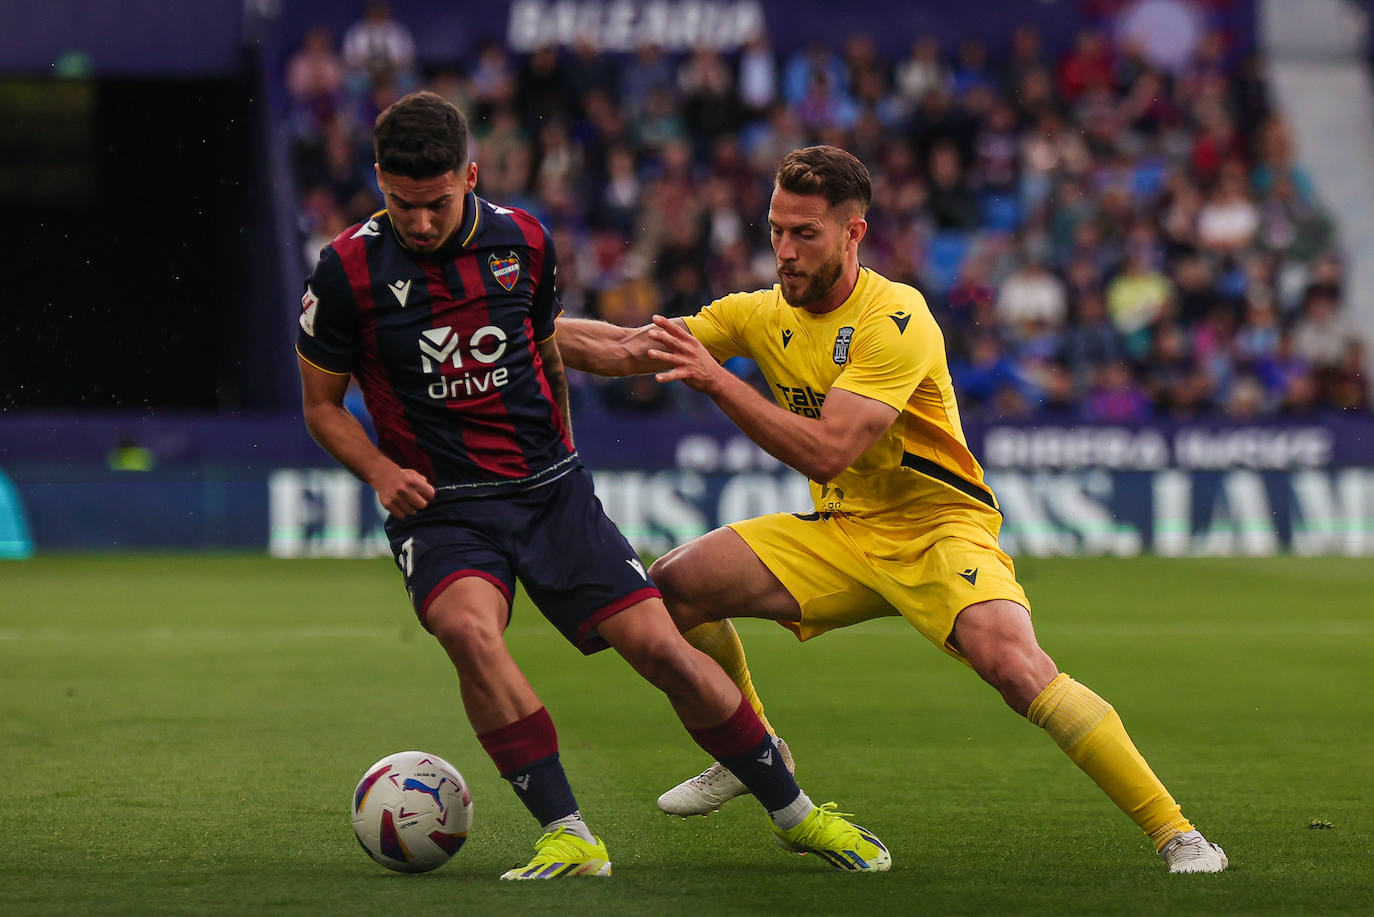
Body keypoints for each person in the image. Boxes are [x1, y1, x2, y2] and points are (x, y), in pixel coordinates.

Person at [555, 145, 1229, 874]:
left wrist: (719, 383)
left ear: (854, 233)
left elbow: (827, 451)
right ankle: (756, 747)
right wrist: (516, 321)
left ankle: (1178, 832)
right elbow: (627, 349)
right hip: (845, 530)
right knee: (677, 582)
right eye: (776, 229)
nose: (783, 249)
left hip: (940, 527)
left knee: (1016, 666)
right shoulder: (758, 313)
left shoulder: (896, 316)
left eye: (804, 233)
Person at [295, 94, 889, 879]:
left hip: (549, 490)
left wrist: (568, 453)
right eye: (404, 205)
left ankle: (796, 814)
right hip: (442, 508)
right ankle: (569, 832)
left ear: (469, 177)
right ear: (378, 181)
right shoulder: (345, 272)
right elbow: (321, 407)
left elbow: (547, 352)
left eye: (438, 203)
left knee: (663, 650)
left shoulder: (522, 242)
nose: (423, 222)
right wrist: (378, 469)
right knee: (471, 634)